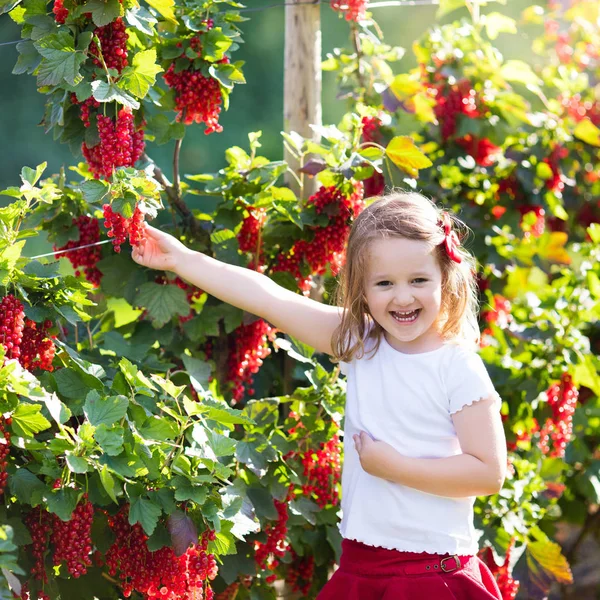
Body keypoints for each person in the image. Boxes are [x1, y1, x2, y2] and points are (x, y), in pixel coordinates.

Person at [132, 191, 506, 600]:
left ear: (445, 278)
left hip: (431, 576)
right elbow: (269, 298)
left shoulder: (457, 367)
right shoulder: (362, 342)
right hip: (362, 567)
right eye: (384, 283)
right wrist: (183, 259)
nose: (402, 297)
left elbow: (488, 472)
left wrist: (395, 467)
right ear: (360, 289)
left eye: (418, 280)